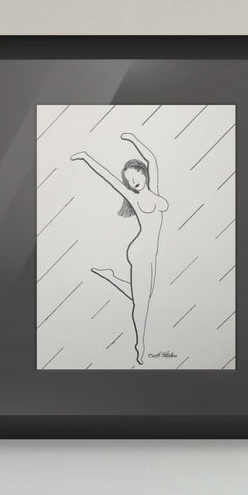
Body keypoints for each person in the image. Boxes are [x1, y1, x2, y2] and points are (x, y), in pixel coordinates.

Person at [70, 132, 169, 365]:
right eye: (130, 181)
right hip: (140, 252)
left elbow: (152, 158)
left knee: (143, 296)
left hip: (149, 253)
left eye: (136, 177)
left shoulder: (153, 188)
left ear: (143, 173)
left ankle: (110, 277)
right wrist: (86, 157)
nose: (133, 183)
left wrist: (134, 138)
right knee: (141, 303)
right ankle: (140, 344)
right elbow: (108, 178)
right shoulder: (134, 198)